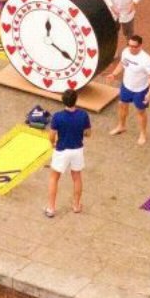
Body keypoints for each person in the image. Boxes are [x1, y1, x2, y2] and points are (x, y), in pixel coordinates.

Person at [45, 88, 91, 218]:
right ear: (76, 100)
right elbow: (88, 133)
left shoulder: (58, 117)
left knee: (54, 178)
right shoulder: (83, 115)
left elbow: (52, 135)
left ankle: (51, 208)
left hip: (62, 150)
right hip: (77, 149)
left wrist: (52, 143)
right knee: (77, 177)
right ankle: (76, 205)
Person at [107, 34, 150, 145]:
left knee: (140, 112)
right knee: (122, 105)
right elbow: (122, 63)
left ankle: (143, 134)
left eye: (134, 46)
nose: (131, 48)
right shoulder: (125, 52)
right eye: (129, 45)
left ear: (140, 46)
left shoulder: (147, 60)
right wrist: (114, 74)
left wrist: (149, 94)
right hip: (126, 86)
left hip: (140, 90)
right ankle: (121, 126)